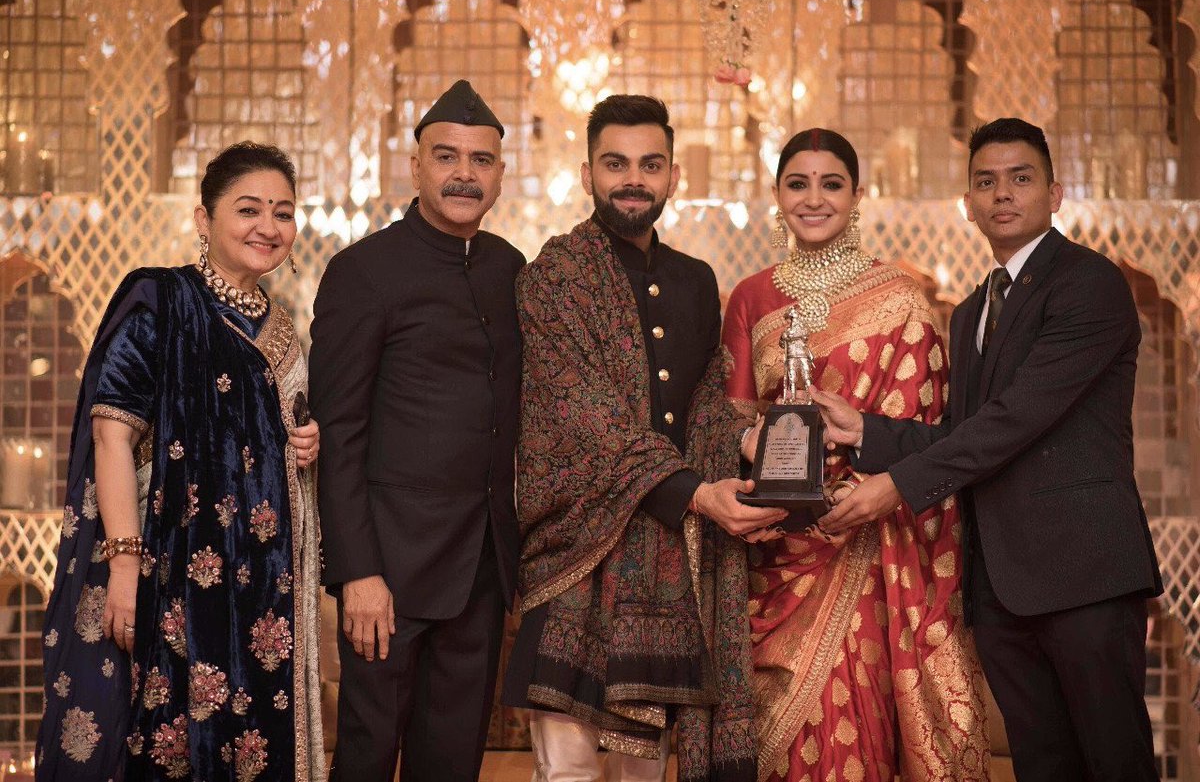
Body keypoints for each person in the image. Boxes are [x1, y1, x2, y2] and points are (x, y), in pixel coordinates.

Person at [814, 118, 1162, 781]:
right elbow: (964, 431)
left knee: (1114, 762)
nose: (1002, 193)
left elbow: (1012, 422)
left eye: (1020, 178)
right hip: (1003, 587)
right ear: (969, 203)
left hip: (1086, 576)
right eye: (986, 181)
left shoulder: (1090, 285)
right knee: (1042, 765)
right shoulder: (975, 309)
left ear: (1056, 194)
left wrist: (897, 486)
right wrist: (865, 432)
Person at [501, 94, 784, 782]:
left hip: (666, 567)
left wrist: (752, 446)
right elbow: (580, 410)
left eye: (650, 165)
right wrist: (697, 493)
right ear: (587, 173)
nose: (634, 178)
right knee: (568, 772)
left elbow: (707, 405)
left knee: (644, 772)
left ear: (673, 176)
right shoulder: (555, 274)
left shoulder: (694, 281)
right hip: (575, 557)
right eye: (616, 163)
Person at [37, 142, 324, 781]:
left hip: (264, 591)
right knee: (168, 745)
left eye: (283, 213)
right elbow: (112, 437)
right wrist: (124, 566)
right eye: (248, 209)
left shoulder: (281, 326)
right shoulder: (158, 300)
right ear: (204, 219)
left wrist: (308, 442)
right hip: (175, 577)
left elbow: (276, 429)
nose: (268, 227)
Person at [721, 128, 989, 781]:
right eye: (798, 183)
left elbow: (935, 443)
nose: (814, 199)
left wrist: (866, 491)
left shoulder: (903, 302)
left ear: (857, 195)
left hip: (870, 557)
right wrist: (749, 442)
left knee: (854, 743)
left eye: (831, 183)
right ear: (777, 194)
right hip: (774, 552)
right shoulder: (750, 297)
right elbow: (726, 420)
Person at [308, 79, 524, 782]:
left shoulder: (509, 270)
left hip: (482, 569)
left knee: (454, 761)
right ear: (416, 167)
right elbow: (338, 432)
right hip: (389, 573)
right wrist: (357, 572)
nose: (465, 173)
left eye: (481, 160)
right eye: (447, 156)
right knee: (368, 755)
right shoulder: (364, 271)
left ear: (500, 173)